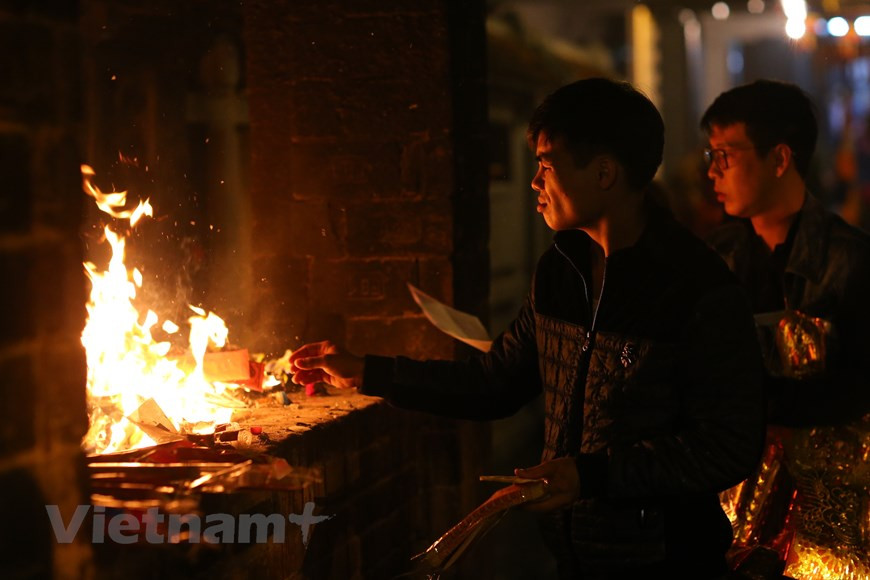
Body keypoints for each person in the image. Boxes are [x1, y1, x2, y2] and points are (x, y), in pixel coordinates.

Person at [290, 78, 765, 579]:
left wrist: (591, 476)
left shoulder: (696, 286)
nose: (535, 182)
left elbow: (728, 445)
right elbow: (493, 383)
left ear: (604, 172)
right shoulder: (561, 271)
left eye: (547, 165)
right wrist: (367, 372)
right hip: (574, 558)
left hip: (668, 562)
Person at [702, 79, 870, 578]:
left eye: (725, 155)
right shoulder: (713, 260)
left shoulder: (850, 261)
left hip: (830, 527)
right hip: (728, 517)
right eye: (711, 155)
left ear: (779, 158)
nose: (712, 171)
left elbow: (860, 385)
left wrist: (763, 403)